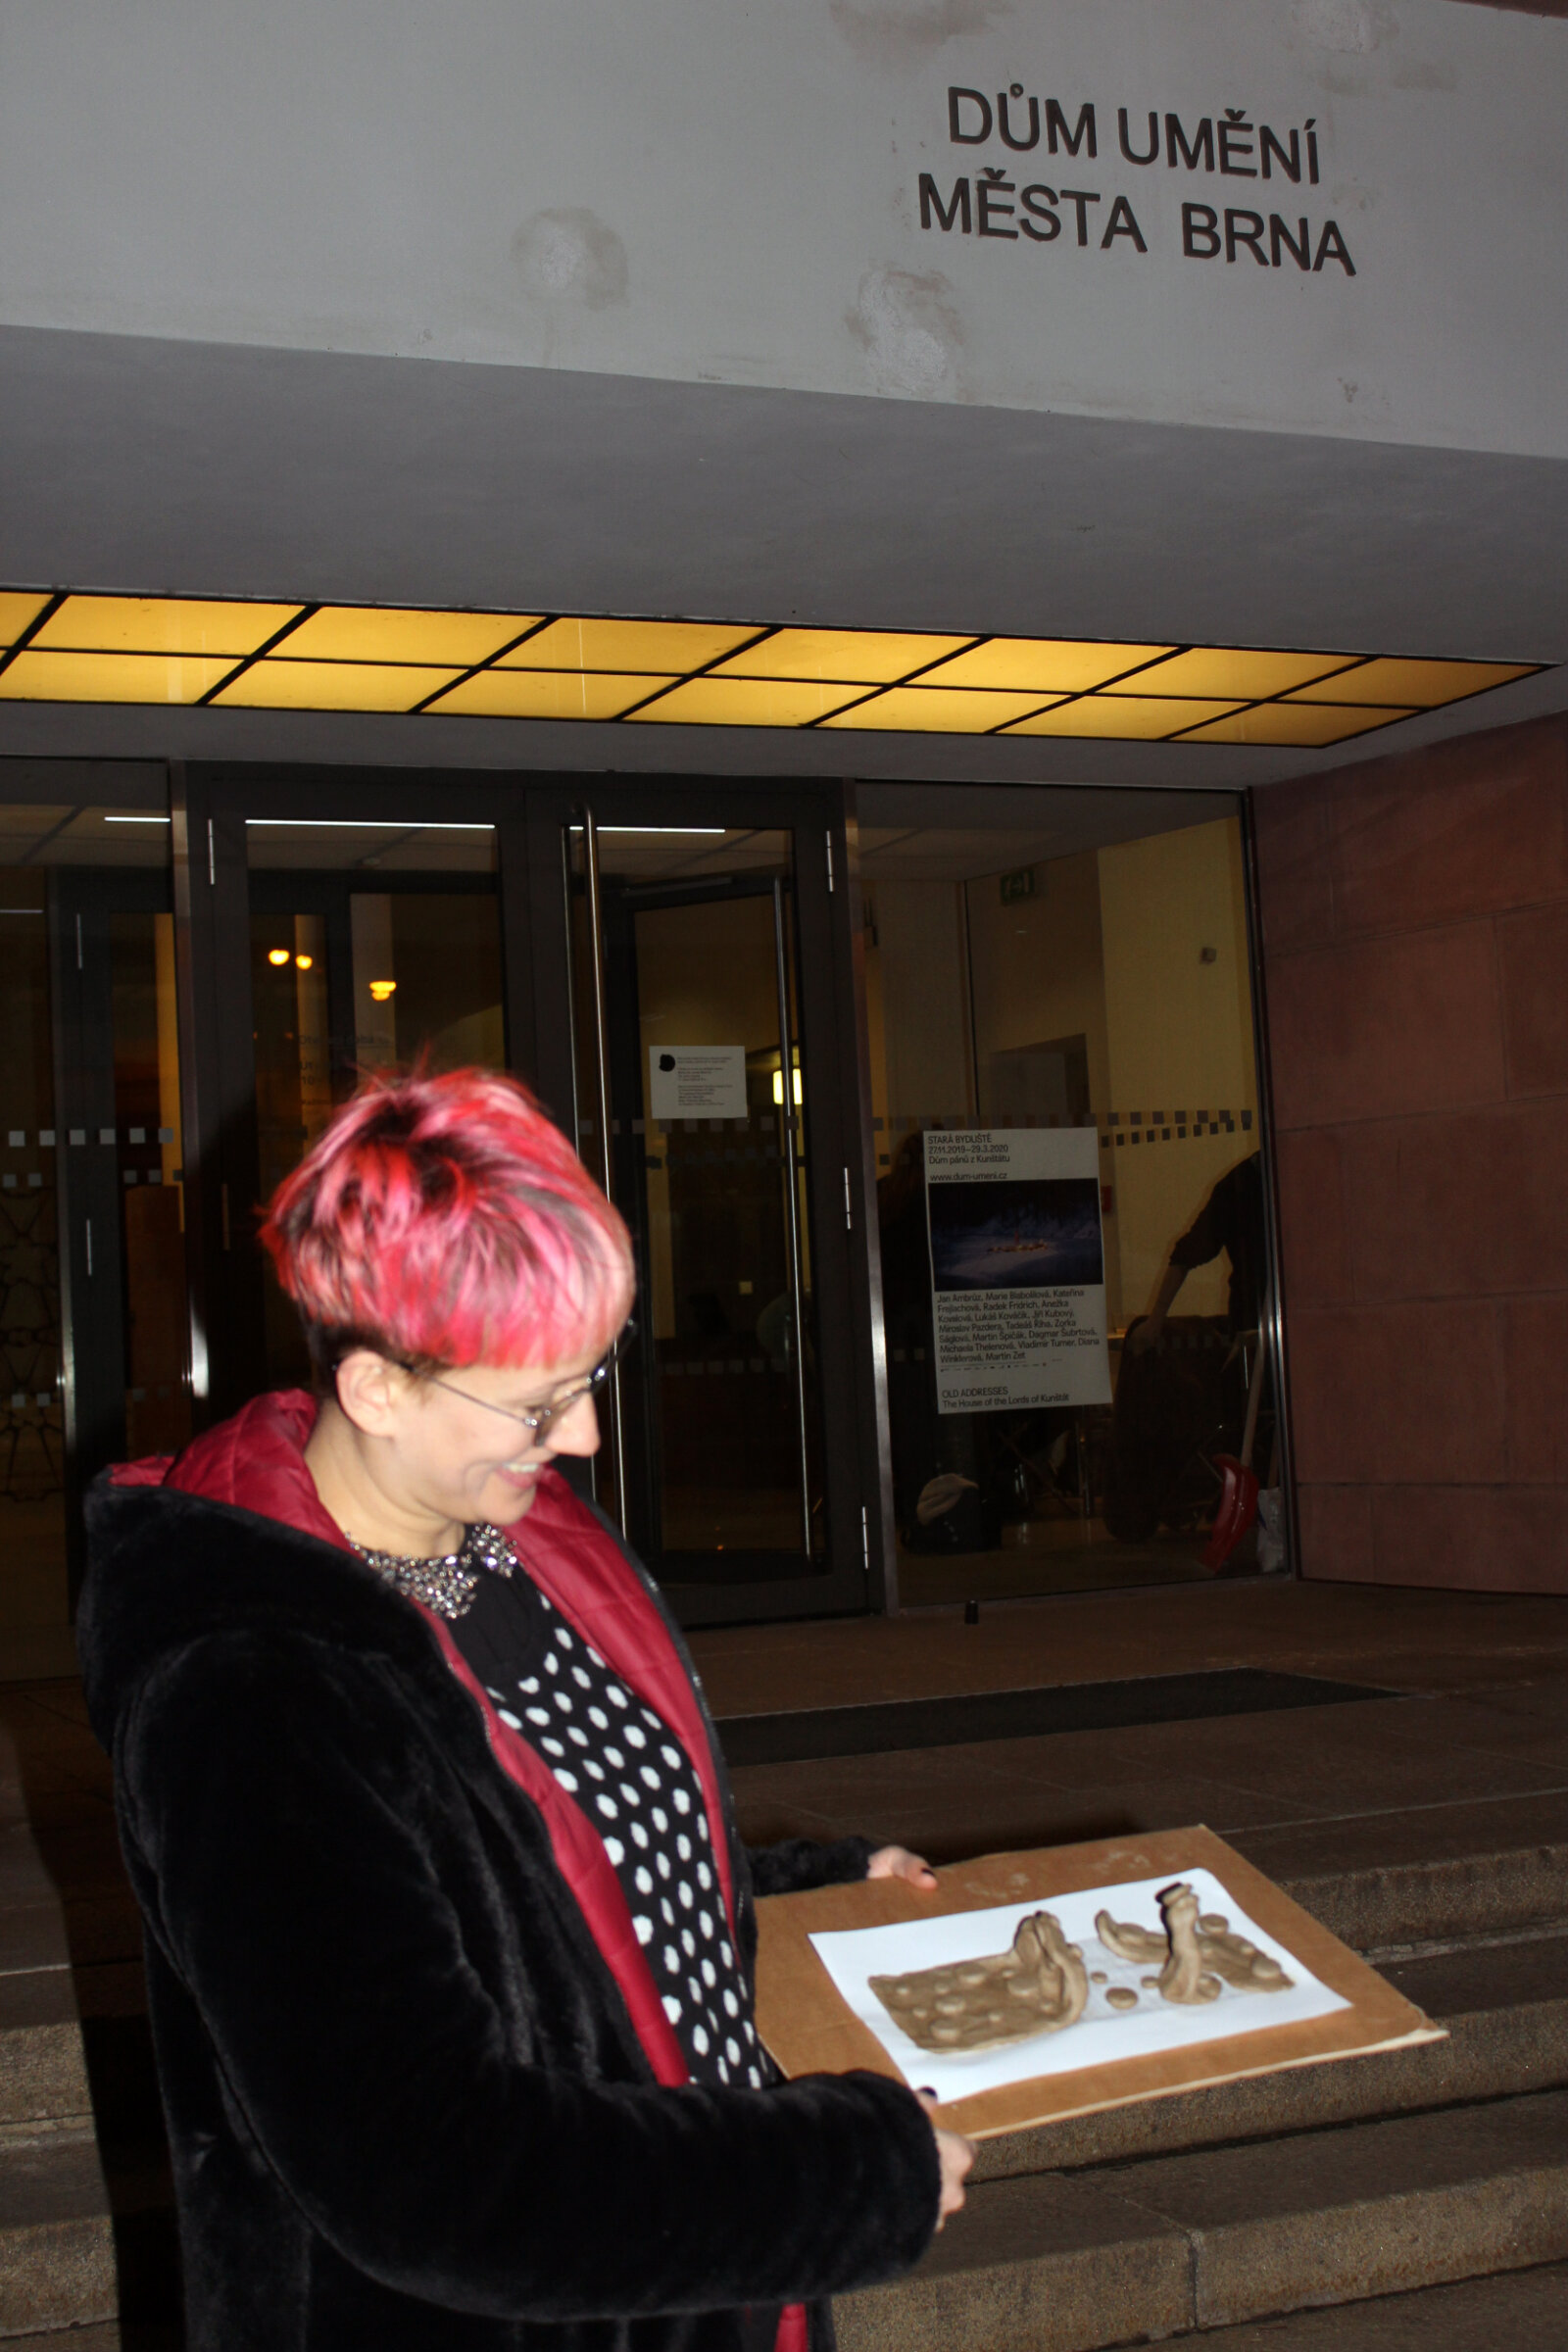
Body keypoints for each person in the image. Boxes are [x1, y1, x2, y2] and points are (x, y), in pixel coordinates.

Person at [78, 1070, 971, 2352]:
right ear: (378, 1389)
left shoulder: (516, 1545)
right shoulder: (253, 1690)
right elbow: (436, 2175)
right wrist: (846, 2180)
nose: (586, 1436)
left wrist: (807, 1890)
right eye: (539, 1400)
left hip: (688, 2284)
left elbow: (550, 1885)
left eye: (590, 1374)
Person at [1124, 1151, 1265, 1356]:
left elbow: (1184, 1256)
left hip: (1255, 1318)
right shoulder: (1238, 1187)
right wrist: (1155, 1321)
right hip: (1254, 1320)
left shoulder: (1239, 1185)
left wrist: (1155, 1320)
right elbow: (1185, 1255)